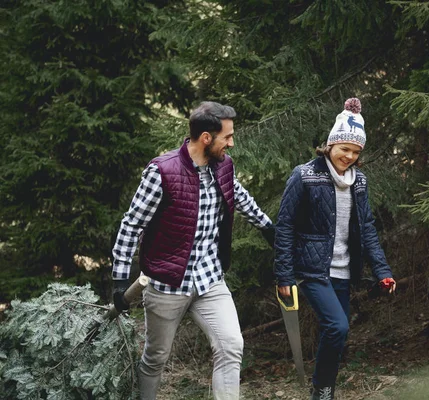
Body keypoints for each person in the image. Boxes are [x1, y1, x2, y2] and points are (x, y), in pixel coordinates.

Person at [111, 101, 274, 400]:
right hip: (166, 283)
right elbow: (131, 225)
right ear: (207, 138)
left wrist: (268, 228)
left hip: (210, 278)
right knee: (155, 358)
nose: (232, 143)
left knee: (231, 345)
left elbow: (238, 195)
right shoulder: (161, 172)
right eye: (227, 136)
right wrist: (120, 281)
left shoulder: (223, 166)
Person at [274, 98, 396, 400]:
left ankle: (323, 390)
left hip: (343, 269)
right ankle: (323, 392)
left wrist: (382, 271)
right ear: (330, 145)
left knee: (339, 334)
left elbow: (367, 227)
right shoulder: (304, 175)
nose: (349, 156)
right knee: (338, 326)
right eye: (345, 149)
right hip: (313, 269)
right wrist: (284, 276)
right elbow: (285, 225)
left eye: (356, 152)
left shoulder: (360, 182)